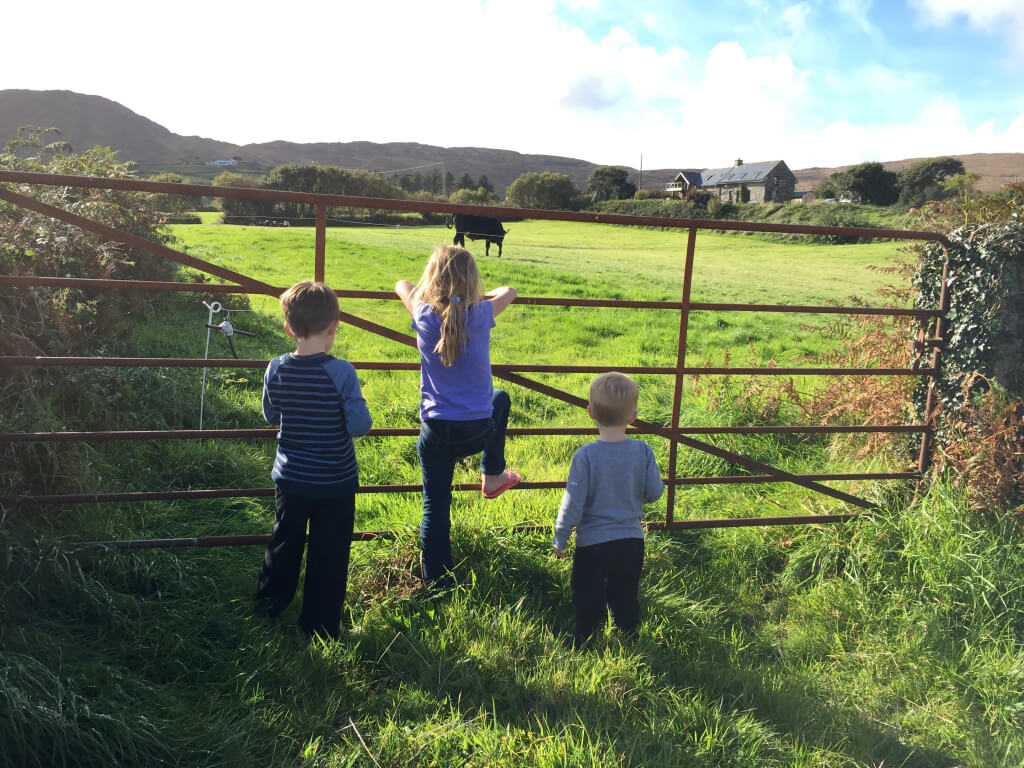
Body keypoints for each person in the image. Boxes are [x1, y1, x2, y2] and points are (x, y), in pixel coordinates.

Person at [395, 245, 520, 587]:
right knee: (501, 398)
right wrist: (473, 297)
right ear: (473, 282)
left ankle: (437, 582)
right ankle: (492, 474)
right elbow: (510, 290)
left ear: (432, 281)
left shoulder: (422, 313)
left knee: (435, 504)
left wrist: (431, 292)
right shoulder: (480, 314)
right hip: (477, 431)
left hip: (435, 432)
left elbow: (401, 284)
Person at [255, 280, 372, 639]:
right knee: (330, 550)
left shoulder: (276, 368)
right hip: (335, 481)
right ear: (334, 326)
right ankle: (320, 624)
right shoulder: (342, 373)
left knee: (285, 540)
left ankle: (269, 605)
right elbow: (359, 427)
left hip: (291, 479)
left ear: (288, 328)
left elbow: (270, 416)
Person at [553, 371, 664, 647]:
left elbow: (573, 502)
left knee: (587, 595)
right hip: (631, 541)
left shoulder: (585, 456)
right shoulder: (644, 451)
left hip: (593, 545)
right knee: (625, 592)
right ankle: (628, 633)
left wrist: (560, 535)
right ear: (633, 417)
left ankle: (585, 638)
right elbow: (653, 493)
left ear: (590, 412)